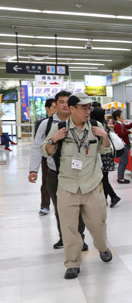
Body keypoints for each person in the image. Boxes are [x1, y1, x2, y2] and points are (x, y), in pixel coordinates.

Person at [42, 93, 113, 279]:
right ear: (72, 109)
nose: (88, 111)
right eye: (83, 108)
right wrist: (53, 139)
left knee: (98, 225)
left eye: (89, 108)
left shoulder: (97, 127)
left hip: (92, 185)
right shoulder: (59, 128)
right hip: (67, 186)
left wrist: (105, 136)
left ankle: (102, 247)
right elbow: (46, 151)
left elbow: (106, 149)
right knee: (69, 228)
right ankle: (72, 263)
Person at [29, 91, 87, 250]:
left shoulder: (81, 122)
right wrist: (33, 170)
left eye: (68, 102)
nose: (65, 105)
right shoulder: (46, 124)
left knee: (79, 208)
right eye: (61, 102)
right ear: (55, 104)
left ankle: (80, 238)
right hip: (55, 174)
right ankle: (64, 237)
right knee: (60, 208)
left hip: (78, 174)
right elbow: (37, 147)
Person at [90, 107, 121, 208]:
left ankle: (113, 196)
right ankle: (105, 199)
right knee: (104, 178)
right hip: (107, 154)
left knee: (102, 179)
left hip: (102, 155)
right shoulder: (104, 124)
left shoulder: (97, 127)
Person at [33, 98, 56, 215]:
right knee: (46, 181)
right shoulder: (43, 123)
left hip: (61, 157)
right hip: (46, 156)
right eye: (54, 107)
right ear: (47, 108)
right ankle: (45, 205)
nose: (56, 109)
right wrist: (33, 169)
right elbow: (38, 142)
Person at [112, 110, 132, 184]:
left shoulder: (120, 124)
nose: (123, 116)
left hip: (124, 145)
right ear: (118, 117)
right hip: (123, 145)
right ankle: (121, 178)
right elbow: (120, 134)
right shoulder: (117, 125)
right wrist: (130, 132)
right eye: (121, 115)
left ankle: (120, 177)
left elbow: (129, 126)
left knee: (123, 162)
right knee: (123, 162)